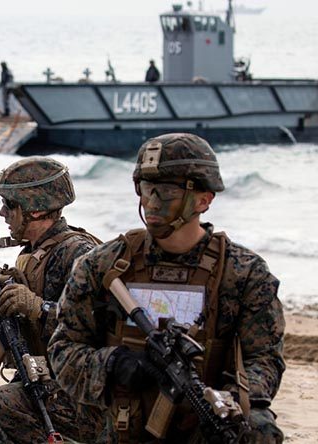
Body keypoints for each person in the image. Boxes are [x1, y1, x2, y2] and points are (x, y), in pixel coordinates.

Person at [50, 133, 285, 443]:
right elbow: (63, 349)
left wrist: (223, 403)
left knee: (259, 428)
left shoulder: (243, 273)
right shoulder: (102, 265)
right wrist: (114, 363)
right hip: (119, 421)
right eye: (147, 190)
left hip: (201, 425)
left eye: (168, 191)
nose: (153, 203)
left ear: (204, 199)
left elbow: (265, 361)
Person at [0, 157, 106, 444]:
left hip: (89, 396)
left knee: (7, 402)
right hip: (55, 379)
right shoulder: (35, 252)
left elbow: (100, 326)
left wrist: (39, 308)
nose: (2, 213)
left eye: (10, 205)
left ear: (36, 210)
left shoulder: (78, 254)